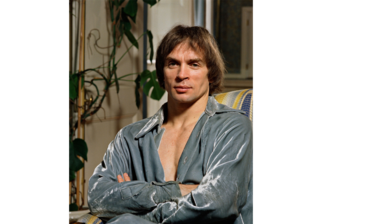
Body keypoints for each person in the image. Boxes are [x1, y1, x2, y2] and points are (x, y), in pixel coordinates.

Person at [87, 25, 254, 224]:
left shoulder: (233, 127)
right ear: (162, 73)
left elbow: (217, 203)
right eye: (173, 63)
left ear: (210, 74)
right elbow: (97, 197)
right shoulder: (130, 137)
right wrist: (180, 190)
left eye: (194, 64)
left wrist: (136, 208)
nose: (182, 74)